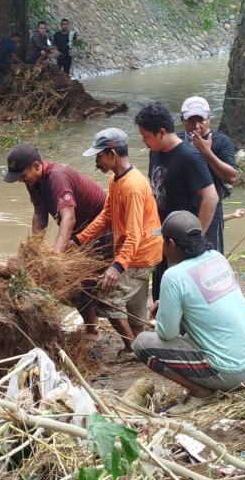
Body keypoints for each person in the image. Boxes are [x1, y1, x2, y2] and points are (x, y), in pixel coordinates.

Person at [132, 211, 245, 414]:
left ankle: (201, 393)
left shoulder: (173, 276)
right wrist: (168, 303)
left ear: (171, 244)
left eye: (163, 242)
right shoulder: (216, 257)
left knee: (141, 343)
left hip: (232, 372)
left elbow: (167, 334)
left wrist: (164, 315)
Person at [68, 128, 162, 360]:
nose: (96, 162)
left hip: (141, 253)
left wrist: (116, 266)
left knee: (106, 297)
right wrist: (78, 240)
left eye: (99, 156)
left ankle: (132, 349)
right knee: (134, 309)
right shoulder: (115, 179)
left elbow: (134, 234)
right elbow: (106, 216)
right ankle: (140, 342)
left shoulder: (132, 186)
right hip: (141, 252)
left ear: (112, 154)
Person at [4, 143, 108, 339]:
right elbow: (39, 214)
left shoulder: (57, 177)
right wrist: (33, 250)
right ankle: (91, 326)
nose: (20, 180)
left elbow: (68, 217)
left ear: (36, 166)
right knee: (73, 285)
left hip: (102, 230)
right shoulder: (33, 182)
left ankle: (93, 331)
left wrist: (55, 257)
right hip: (78, 235)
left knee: (80, 282)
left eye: (22, 175)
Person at [134, 101, 218, 301]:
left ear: (161, 132)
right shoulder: (154, 151)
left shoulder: (188, 157)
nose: (144, 141)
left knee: (182, 294)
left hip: (182, 240)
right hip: (162, 235)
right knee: (161, 290)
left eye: (146, 136)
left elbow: (211, 197)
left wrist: (195, 239)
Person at [177, 96, 238, 253]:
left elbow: (232, 177)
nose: (196, 126)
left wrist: (206, 152)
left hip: (210, 216)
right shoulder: (175, 141)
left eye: (201, 121)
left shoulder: (220, 141)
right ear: (182, 120)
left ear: (208, 119)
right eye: (191, 121)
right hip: (180, 216)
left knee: (209, 262)